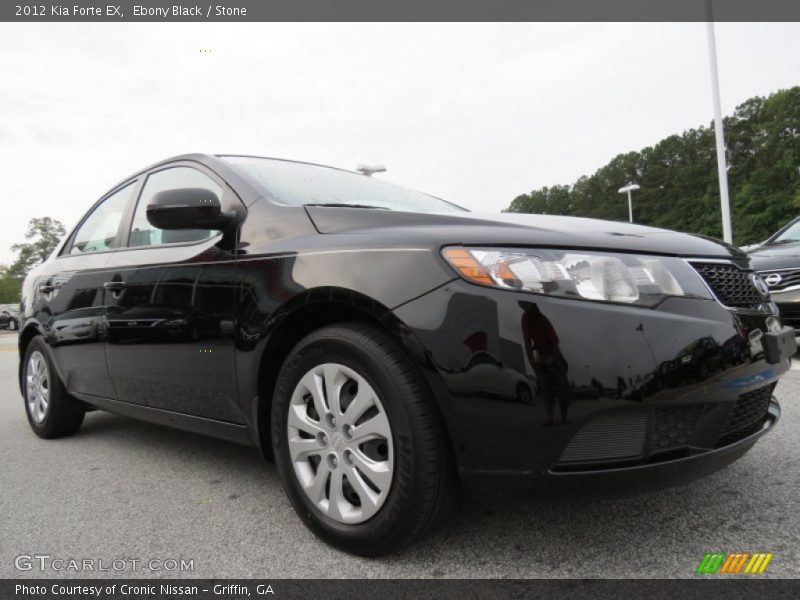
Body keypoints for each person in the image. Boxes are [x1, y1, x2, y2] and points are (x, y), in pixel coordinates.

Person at [520, 301, 572, 426]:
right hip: (541, 357)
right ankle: (550, 419)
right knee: (546, 389)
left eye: (534, 307)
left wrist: (558, 361)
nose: (534, 310)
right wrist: (532, 363)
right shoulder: (525, 319)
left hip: (554, 356)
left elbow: (555, 343)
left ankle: (564, 418)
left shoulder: (544, 321)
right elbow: (527, 342)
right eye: (530, 309)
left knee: (562, 389)